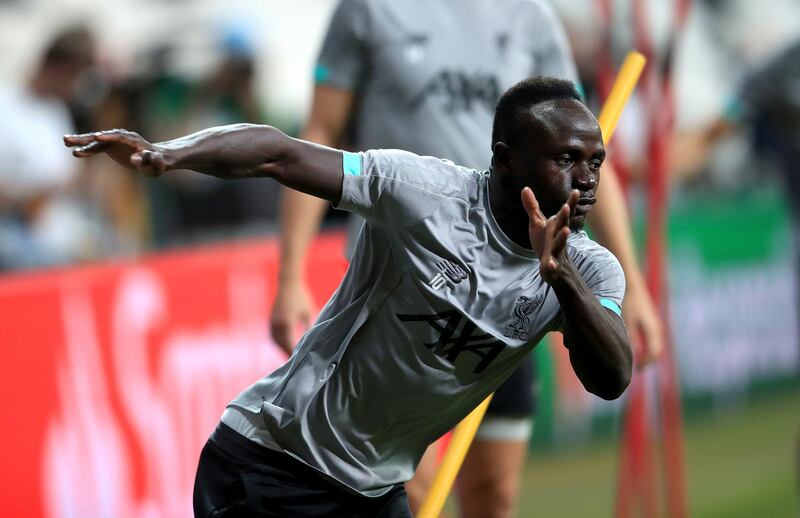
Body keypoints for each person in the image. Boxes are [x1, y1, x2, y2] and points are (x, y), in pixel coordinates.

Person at [65, 76, 633, 517]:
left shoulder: (588, 271)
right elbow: (280, 154)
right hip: (278, 463)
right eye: (566, 159)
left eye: (595, 163)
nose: (585, 180)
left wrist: (558, 275)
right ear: (505, 158)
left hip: (374, 490)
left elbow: (611, 379)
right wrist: (168, 154)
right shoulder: (422, 194)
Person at [270, 1, 661, 515]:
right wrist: (290, 272)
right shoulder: (367, 10)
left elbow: (581, 150)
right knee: (403, 485)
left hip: (512, 289)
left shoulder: (531, 16)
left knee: (492, 496)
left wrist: (628, 283)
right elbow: (319, 131)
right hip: (404, 284)